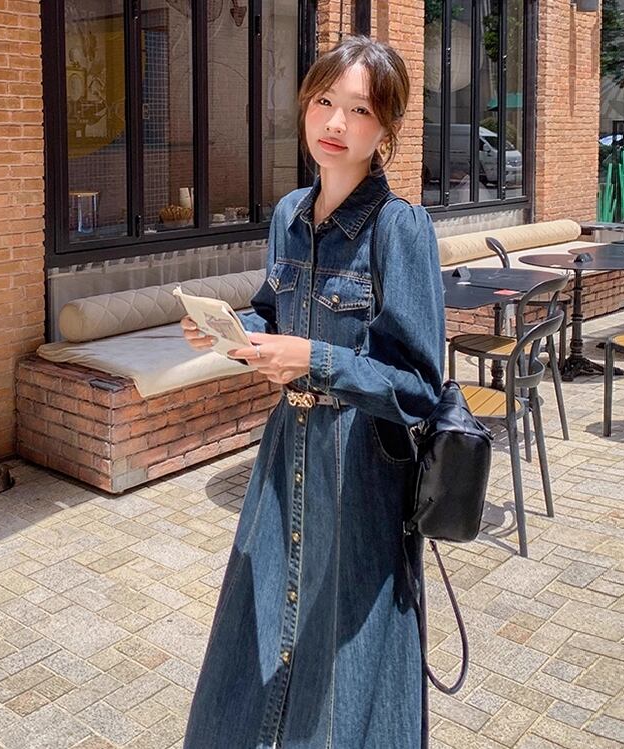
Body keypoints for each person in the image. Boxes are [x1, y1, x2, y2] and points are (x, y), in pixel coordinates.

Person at [180, 36, 445, 749]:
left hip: (360, 469)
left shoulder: (400, 230)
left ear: (386, 129)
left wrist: (316, 359)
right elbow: (275, 313)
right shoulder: (289, 215)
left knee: (348, 655)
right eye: (324, 101)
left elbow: (420, 388)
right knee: (260, 625)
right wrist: (233, 332)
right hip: (283, 456)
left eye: (358, 110)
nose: (334, 122)